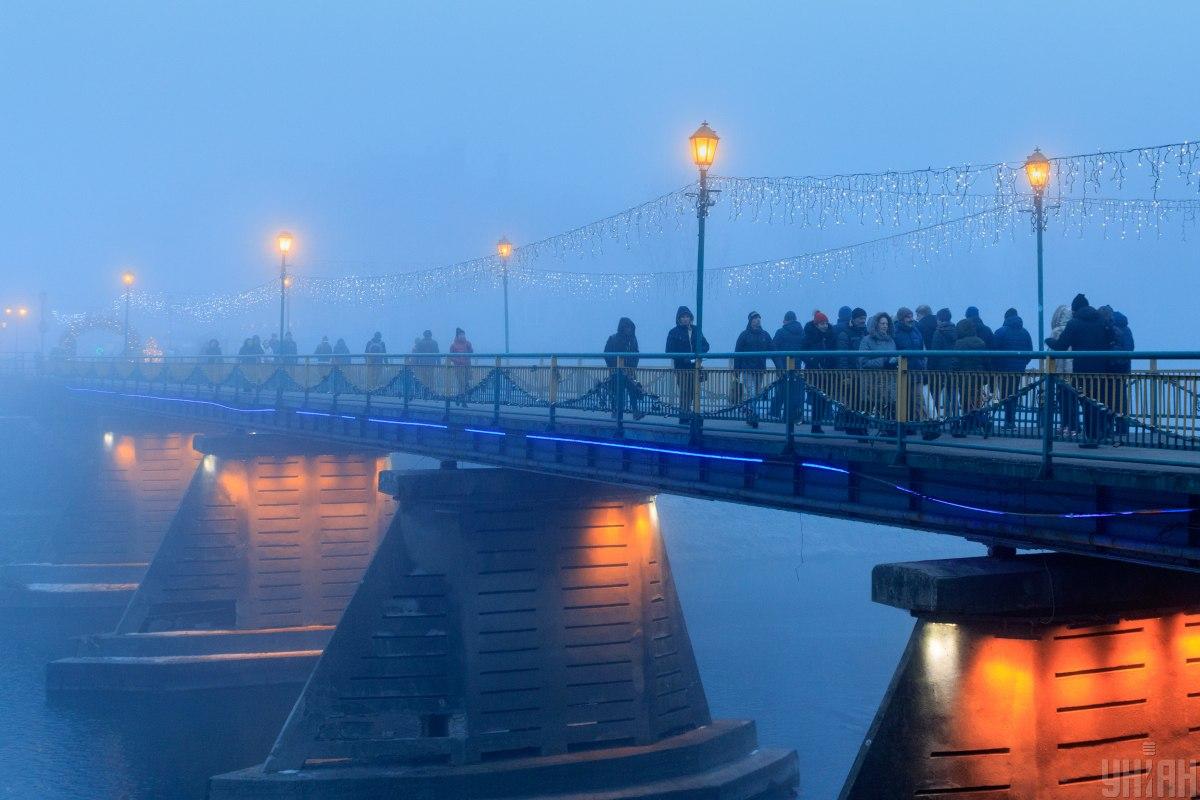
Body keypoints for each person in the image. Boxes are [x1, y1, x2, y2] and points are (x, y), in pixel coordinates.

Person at [1046, 293, 1113, 448]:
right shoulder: (1102, 321)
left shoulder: (1074, 323)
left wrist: (1049, 341)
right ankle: (1098, 433)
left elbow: (1061, 346)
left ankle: (1090, 437)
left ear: (1075, 309)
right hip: (1101, 370)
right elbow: (1111, 341)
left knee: (1086, 401)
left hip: (1082, 370)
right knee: (1098, 401)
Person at [665, 306, 709, 425]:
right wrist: (683, 358)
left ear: (691, 318)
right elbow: (668, 351)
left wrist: (697, 355)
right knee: (685, 391)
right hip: (681, 368)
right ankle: (684, 415)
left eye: (687, 316)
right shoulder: (673, 332)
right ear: (678, 319)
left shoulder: (696, 330)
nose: (685, 319)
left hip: (695, 367)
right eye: (683, 317)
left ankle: (691, 414)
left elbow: (706, 345)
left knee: (694, 391)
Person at [858, 312, 899, 434]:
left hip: (888, 379)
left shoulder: (891, 340)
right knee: (868, 405)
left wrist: (895, 361)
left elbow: (894, 355)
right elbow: (863, 361)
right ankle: (862, 431)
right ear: (876, 324)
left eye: (886, 323)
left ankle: (888, 431)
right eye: (882, 323)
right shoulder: (867, 340)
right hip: (872, 379)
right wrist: (884, 361)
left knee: (888, 405)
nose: (885, 326)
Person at [992, 308, 1033, 429]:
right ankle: (1011, 421)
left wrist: (996, 366)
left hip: (1003, 369)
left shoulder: (1000, 332)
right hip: (1018, 369)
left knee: (1005, 394)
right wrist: (1022, 363)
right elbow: (1029, 351)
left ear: (1005, 318)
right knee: (1013, 393)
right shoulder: (1025, 332)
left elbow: (993, 350)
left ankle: (1007, 421)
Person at [733, 311, 772, 428]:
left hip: (760, 370)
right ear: (750, 321)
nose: (758, 320)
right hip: (747, 369)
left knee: (755, 393)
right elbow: (738, 353)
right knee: (752, 392)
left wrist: (780, 365)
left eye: (759, 318)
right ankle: (755, 416)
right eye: (755, 318)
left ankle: (750, 415)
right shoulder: (744, 335)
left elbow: (773, 350)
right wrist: (737, 371)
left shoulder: (765, 335)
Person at [951, 318, 988, 437]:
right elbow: (985, 360)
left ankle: (980, 423)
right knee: (976, 401)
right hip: (979, 375)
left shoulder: (959, 343)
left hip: (964, 376)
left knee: (966, 401)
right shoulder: (980, 342)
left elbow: (956, 361)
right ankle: (974, 423)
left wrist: (953, 372)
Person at [835, 308, 869, 434]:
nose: (863, 321)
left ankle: (857, 427)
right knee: (851, 400)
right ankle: (853, 427)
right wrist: (844, 375)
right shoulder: (845, 334)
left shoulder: (865, 332)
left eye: (864, 318)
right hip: (851, 373)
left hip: (862, 373)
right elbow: (842, 356)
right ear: (853, 319)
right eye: (861, 318)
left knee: (860, 401)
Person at [801, 310, 836, 433]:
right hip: (814, 372)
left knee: (825, 398)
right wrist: (812, 361)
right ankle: (816, 425)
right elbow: (801, 353)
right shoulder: (809, 337)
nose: (825, 326)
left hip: (827, 372)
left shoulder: (831, 335)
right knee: (817, 399)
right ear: (816, 324)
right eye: (822, 323)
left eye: (826, 323)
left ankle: (818, 423)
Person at [893, 307, 927, 433]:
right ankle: (905, 427)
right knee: (904, 400)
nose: (911, 319)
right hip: (902, 371)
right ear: (901, 318)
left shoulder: (916, 331)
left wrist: (923, 364)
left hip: (916, 370)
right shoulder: (895, 332)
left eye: (911, 316)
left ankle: (924, 426)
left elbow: (922, 349)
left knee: (918, 399)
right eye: (908, 317)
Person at [603, 317, 644, 420]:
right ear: (621, 328)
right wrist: (613, 367)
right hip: (616, 371)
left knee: (632, 390)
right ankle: (615, 412)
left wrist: (633, 367)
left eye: (630, 327)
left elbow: (636, 354)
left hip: (629, 371)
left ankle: (635, 411)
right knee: (616, 392)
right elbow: (606, 354)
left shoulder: (633, 340)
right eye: (626, 327)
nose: (628, 329)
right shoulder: (613, 338)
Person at [770, 310, 806, 421]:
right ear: (795, 319)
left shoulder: (781, 332)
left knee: (782, 391)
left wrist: (779, 364)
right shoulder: (802, 332)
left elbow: (773, 348)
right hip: (797, 367)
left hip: (783, 366)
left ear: (785, 320)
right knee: (795, 393)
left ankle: (774, 413)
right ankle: (791, 415)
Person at [1109, 310, 1134, 438]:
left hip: (1112, 368)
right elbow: (1130, 348)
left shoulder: (1113, 330)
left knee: (1110, 399)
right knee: (1121, 400)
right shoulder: (1126, 330)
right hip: (1123, 369)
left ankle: (1113, 427)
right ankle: (1122, 427)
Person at [448, 327, 474, 407]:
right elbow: (450, 356)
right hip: (459, 367)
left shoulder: (468, 343)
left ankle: (458, 397)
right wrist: (458, 361)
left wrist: (470, 348)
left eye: (463, 334)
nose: (462, 336)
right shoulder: (453, 345)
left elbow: (471, 353)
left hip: (467, 366)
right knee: (462, 383)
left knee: (465, 384)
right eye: (461, 334)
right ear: (457, 336)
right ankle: (463, 401)